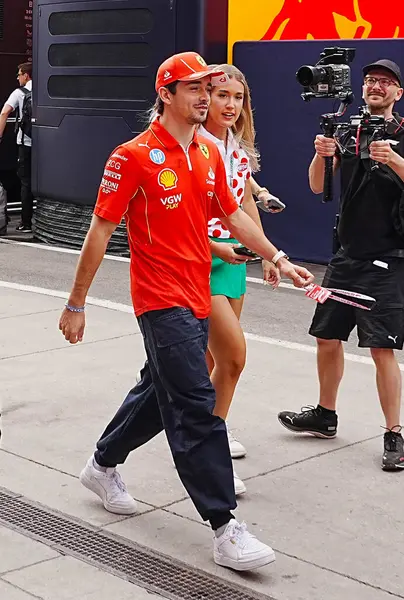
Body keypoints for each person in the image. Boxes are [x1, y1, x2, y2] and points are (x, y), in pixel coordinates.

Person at [60, 51, 314, 571]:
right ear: (167, 94)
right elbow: (100, 233)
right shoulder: (131, 155)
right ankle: (225, 526)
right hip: (159, 298)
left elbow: (233, 215)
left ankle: (102, 464)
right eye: (195, 88)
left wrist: (279, 258)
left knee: (158, 392)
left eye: (210, 88)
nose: (206, 97)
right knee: (196, 403)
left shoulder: (206, 152)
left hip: (197, 291)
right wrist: (76, 302)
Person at [278, 59, 404, 471]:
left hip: (389, 258)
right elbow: (318, 185)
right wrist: (321, 154)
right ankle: (325, 415)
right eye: (370, 81)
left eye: (385, 83)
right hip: (346, 256)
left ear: (398, 94)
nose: (375, 87)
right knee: (327, 337)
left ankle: (394, 435)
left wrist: (394, 161)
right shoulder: (349, 132)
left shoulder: (402, 136)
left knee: (382, 349)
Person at [199, 64, 285, 496]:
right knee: (232, 357)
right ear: (203, 97)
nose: (231, 105)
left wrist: (269, 254)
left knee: (213, 363)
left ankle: (208, 428)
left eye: (237, 97)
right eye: (221, 95)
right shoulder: (193, 143)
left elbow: (243, 203)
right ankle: (206, 449)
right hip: (199, 258)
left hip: (235, 258)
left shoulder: (235, 145)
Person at [0, 62, 33, 233]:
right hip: (45, 145)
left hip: (25, 144)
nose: (17, 77)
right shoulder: (45, 89)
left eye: (19, 74)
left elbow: (5, 112)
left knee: (25, 182)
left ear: (26, 75)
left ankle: (26, 222)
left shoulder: (19, 93)